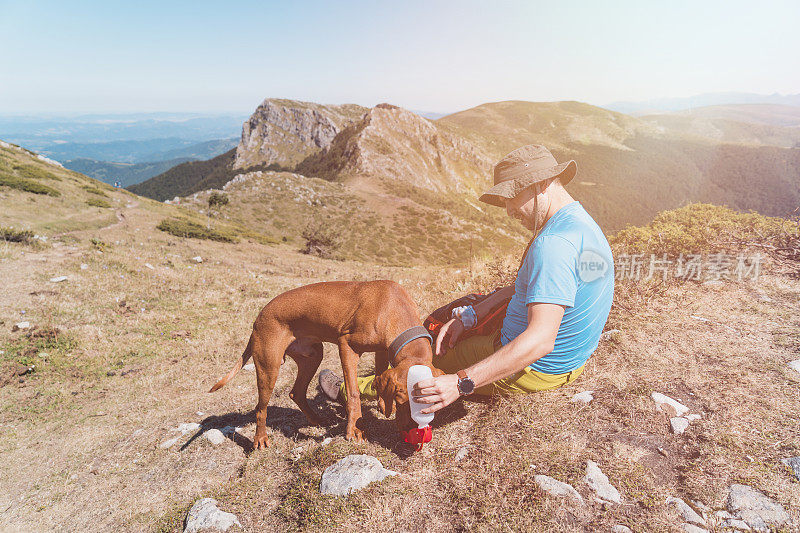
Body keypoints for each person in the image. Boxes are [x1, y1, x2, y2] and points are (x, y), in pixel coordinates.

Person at [319, 144, 614, 416]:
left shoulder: (553, 244)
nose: (509, 212)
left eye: (511, 198)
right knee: (442, 329)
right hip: (570, 361)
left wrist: (460, 384)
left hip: (537, 367)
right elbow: (539, 286)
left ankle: (350, 388)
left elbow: (539, 341)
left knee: (421, 367)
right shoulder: (579, 223)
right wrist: (475, 313)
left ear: (541, 184)